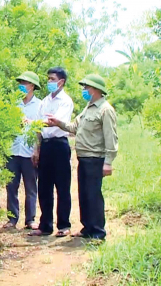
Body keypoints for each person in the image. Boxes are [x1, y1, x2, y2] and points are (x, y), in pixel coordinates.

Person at [45, 73, 118, 241]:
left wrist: (108, 162)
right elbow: (73, 127)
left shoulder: (105, 110)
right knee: (84, 194)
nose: (84, 90)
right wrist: (58, 123)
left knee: (93, 195)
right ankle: (87, 228)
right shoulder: (88, 108)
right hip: (83, 158)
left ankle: (98, 232)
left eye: (87, 87)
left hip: (95, 158)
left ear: (96, 90)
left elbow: (111, 138)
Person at [28, 67, 74, 237]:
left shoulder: (66, 101)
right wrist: (36, 149)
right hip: (46, 145)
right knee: (44, 186)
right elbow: (38, 128)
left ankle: (63, 225)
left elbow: (54, 122)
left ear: (61, 82)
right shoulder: (45, 102)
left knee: (62, 186)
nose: (49, 82)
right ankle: (45, 225)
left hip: (60, 145)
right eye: (48, 79)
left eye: (52, 79)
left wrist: (34, 122)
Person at [3, 71, 42, 230]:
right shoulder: (14, 104)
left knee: (30, 186)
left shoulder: (39, 105)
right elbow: (5, 126)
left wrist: (37, 150)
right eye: (20, 82)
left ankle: (30, 219)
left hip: (29, 152)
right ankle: (12, 219)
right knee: (11, 185)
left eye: (24, 83)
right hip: (12, 151)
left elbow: (39, 129)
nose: (21, 85)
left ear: (32, 86)